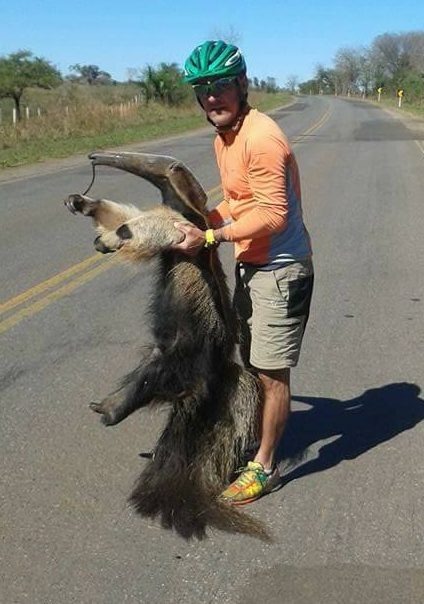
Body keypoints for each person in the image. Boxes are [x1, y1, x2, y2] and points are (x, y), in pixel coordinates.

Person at [174, 40, 314, 505]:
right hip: (252, 266)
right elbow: (241, 200)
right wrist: (207, 219)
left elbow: (272, 215)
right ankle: (256, 441)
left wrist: (211, 239)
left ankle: (266, 466)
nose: (212, 96)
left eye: (221, 85)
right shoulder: (225, 139)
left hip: (281, 269)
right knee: (253, 364)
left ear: (243, 85)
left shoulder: (262, 138)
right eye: (203, 87)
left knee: (272, 374)